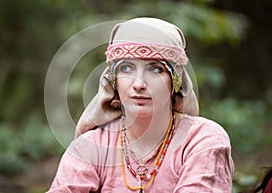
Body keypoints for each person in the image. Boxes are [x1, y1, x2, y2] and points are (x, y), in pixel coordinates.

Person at [48, 17, 234, 192]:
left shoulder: (203, 140)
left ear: (175, 81)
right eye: (126, 68)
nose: (138, 84)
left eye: (155, 69)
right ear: (114, 81)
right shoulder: (90, 147)